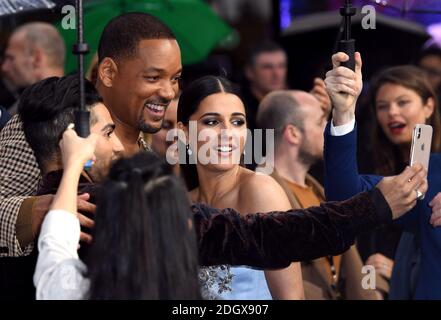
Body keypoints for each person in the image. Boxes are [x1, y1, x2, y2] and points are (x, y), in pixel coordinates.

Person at [324, 51, 441, 299]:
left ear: (429, 105)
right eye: (383, 106)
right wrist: (343, 112)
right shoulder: (427, 172)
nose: (392, 113)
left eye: (403, 102)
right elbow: (344, 198)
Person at [34, 129, 201, 299]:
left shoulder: (67, 291)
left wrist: (74, 163)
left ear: (104, 226)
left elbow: (56, 240)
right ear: (187, 225)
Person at [177, 75, 304, 300]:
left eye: (237, 122)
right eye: (211, 122)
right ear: (184, 132)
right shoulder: (181, 204)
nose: (227, 134)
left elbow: (291, 297)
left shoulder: (260, 190)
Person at [257, 90, 379, 300]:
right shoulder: (260, 192)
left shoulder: (321, 192)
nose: (327, 127)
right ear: (293, 133)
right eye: (321, 121)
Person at [1, 22, 65, 114]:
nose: (4, 67)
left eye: (11, 58)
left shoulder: (27, 112)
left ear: (36, 59)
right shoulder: (81, 101)